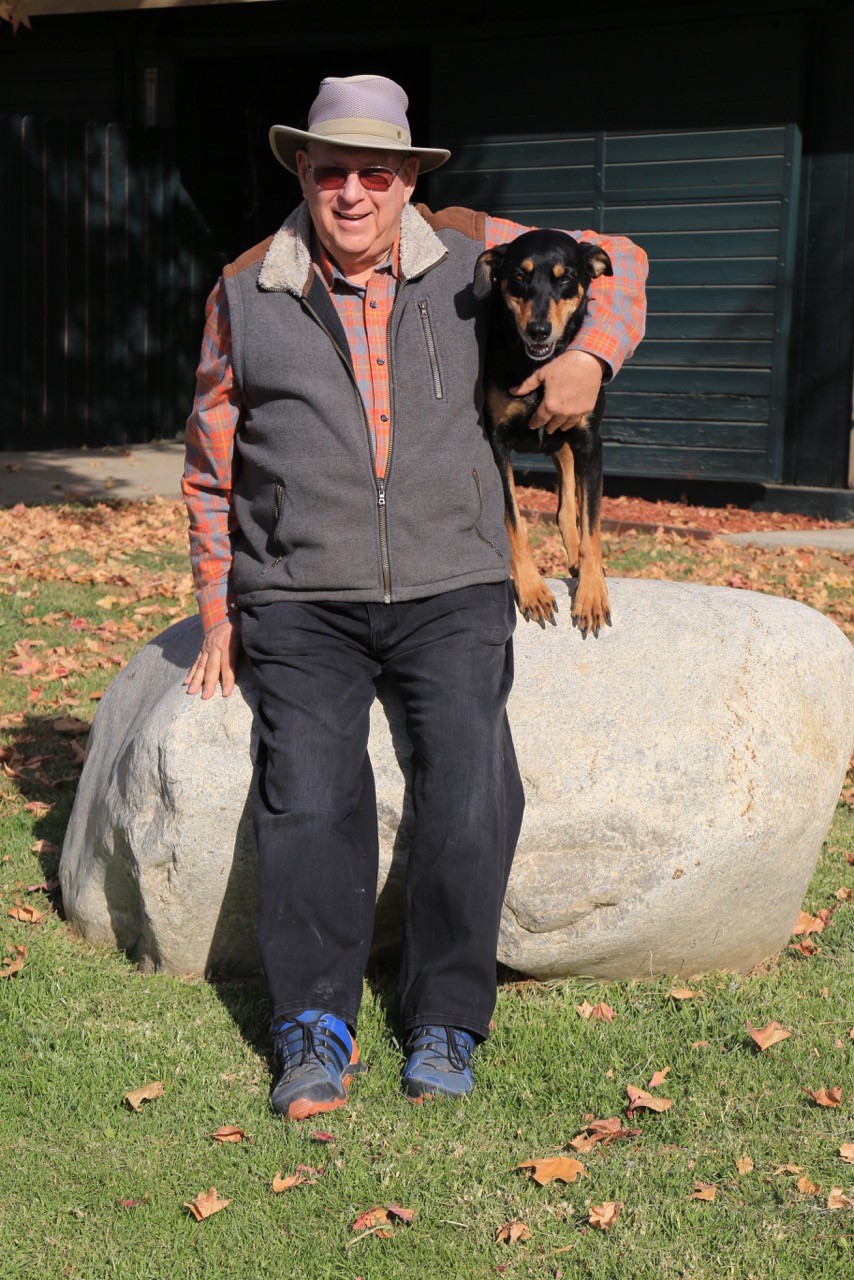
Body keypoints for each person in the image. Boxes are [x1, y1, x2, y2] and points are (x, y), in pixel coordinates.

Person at [182, 74, 647, 1119]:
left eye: (375, 173)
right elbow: (211, 468)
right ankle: (314, 1022)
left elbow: (624, 261)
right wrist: (218, 609)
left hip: (452, 582)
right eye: (331, 171)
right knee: (308, 788)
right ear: (302, 172)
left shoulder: (467, 248)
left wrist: (591, 356)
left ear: (406, 180)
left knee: (476, 782)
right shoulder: (244, 290)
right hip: (302, 595)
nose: (352, 192)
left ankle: (443, 1014)